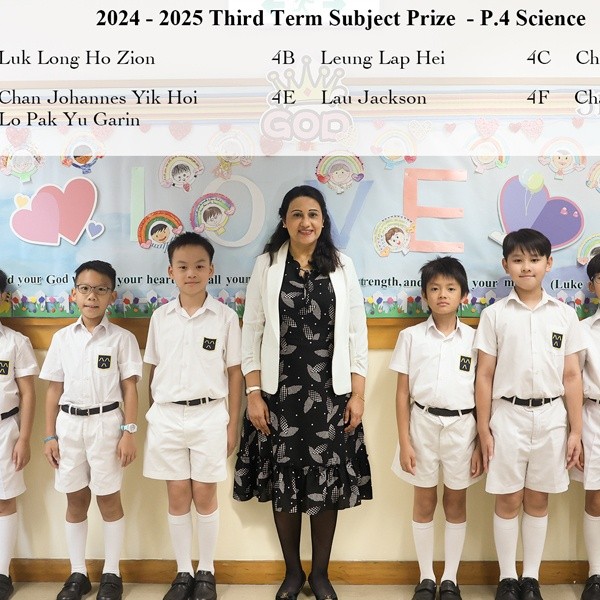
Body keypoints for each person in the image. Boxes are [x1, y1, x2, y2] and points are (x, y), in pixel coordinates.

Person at [233, 185, 371, 600]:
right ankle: (293, 574)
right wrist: (253, 393)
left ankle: (321, 575)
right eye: (297, 214)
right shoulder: (267, 265)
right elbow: (252, 331)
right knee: (285, 482)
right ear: (284, 220)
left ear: (323, 220)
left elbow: (357, 334)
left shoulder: (342, 265)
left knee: (325, 483)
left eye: (313, 214)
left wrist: (358, 395)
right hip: (279, 395)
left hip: (331, 394)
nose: (305, 222)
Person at [475, 229, 585, 600]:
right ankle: (508, 578)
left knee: (538, 499)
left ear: (548, 264)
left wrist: (575, 431)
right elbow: (484, 375)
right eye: (518, 260)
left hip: (552, 417)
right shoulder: (494, 315)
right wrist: (484, 430)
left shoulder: (565, 314)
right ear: (506, 265)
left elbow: (572, 376)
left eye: (534, 259)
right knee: (508, 499)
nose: (526, 267)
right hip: (507, 416)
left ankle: (531, 578)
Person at [143, 232, 242, 600]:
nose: (191, 273)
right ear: (171, 271)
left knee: (204, 493)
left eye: (199, 266)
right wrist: (152, 415)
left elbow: (235, 374)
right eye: (182, 267)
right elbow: (153, 370)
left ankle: (207, 571)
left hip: (210, 416)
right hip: (167, 417)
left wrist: (232, 424)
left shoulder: (225, 317)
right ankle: (183, 570)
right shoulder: (160, 317)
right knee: (177, 495)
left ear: (211, 270)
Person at [41, 261, 142, 600]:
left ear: (112, 296)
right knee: (75, 499)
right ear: (74, 294)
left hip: (106, 425)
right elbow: (53, 389)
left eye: (100, 290)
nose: (92, 296)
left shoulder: (122, 339)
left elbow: (129, 388)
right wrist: (49, 436)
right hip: (68, 426)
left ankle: (112, 572)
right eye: (84, 289)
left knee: (108, 498)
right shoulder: (61, 339)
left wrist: (129, 431)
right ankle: (78, 573)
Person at [389, 257, 482, 600]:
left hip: (463, 428)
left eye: (451, 288)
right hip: (422, 427)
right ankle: (426, 577)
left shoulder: (475, 340)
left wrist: (480, 442)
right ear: (425, 295)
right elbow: (402, 394)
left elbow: (482, 392)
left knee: (455, 502)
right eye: (435, 288)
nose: (443, 294)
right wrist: (404, 441)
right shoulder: (411, 337)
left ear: (463, 295)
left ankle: (450, 579)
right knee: (424, 501)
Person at [0, 269, 38, 600]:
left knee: (4, 500)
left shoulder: (15, 342)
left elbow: (27, 393)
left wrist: (24, 438)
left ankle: (2, 573)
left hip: (5, 431)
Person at [573, 253, 600, 600]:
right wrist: (575, 432)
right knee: (596, 497)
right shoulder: (582, 331)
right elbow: (573, 382)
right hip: (595, 417)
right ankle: (596, 573)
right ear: (593, 286)